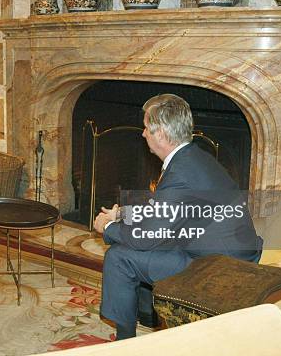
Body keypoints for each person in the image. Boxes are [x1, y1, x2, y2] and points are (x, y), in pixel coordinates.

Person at [93, 94, 263, 340]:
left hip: (217, 270)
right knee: (136, 242)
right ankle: (147, 315)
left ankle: (124, 341)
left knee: (120, 256)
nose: (143, 134)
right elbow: (168, 210)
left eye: (146, 129)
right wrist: (122, 214)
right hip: (229, 254)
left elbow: (147, 238)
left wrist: (107, 227)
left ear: (160, 133)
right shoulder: (196, 157)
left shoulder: (181, 172)